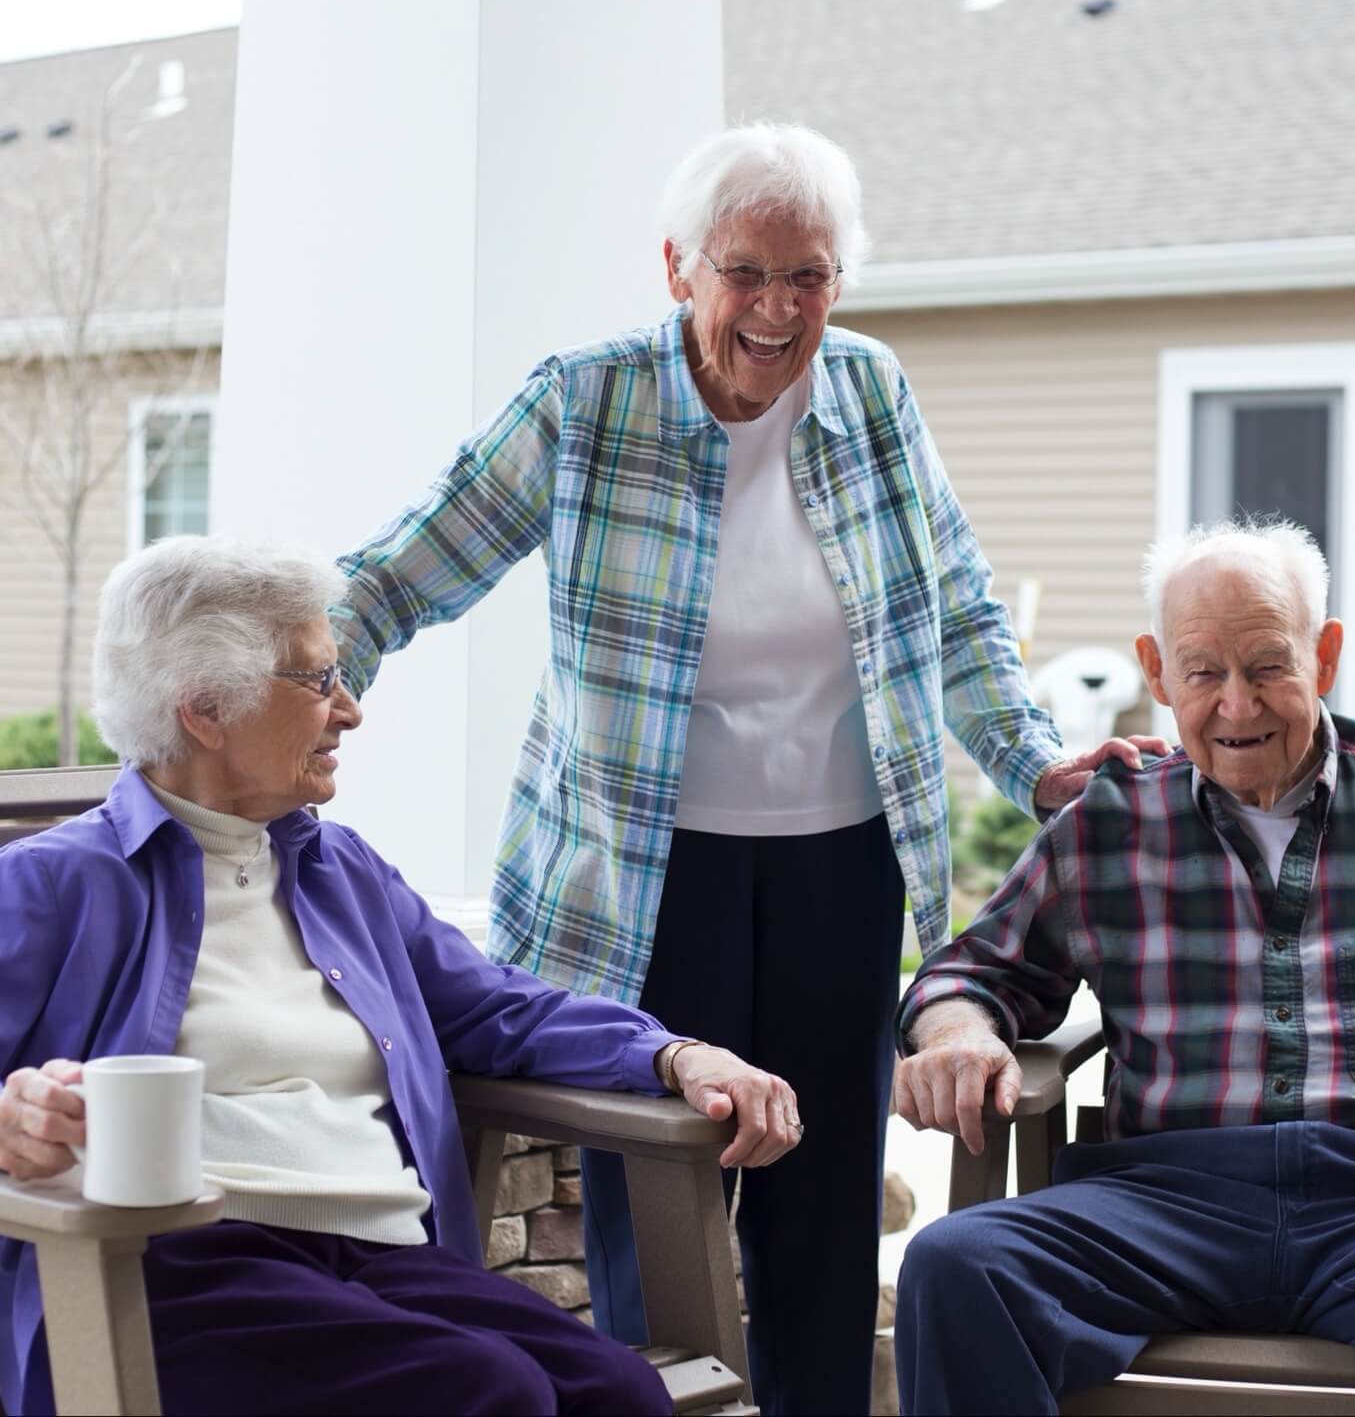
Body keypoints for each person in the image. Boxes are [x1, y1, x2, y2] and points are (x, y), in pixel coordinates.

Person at [331, 121, 1165, 1414]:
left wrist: (1036, 764)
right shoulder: (585, 402)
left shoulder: (874, 395)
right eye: (746, 273)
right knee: (660, 1214)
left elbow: (955, 611)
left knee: (823, 1224)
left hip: (846, 863)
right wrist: (301, 682)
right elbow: (403, 570)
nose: (778, 310)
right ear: (679, 269)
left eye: (811, 277)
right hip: (643, 878)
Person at [0, 535, 800, 1417]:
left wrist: (672, 1056)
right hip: (176, 1270)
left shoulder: (340, 872)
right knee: (487, 1393)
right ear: (205, 710)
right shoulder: (51, 885)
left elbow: (501, 1009)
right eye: (316, 681)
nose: (348, 710)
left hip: (385, 1259)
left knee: (614, 1391)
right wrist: (16, 1122)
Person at [892, 517, 1355, 1417]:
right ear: (1158, 671)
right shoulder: (1109, 823)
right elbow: (967, 974)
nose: (1238, 706)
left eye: (1267, 667)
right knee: (956, 1266)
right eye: (1204, 672)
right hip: (1166, 1207)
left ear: (1324, 657)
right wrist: (955, 1038)